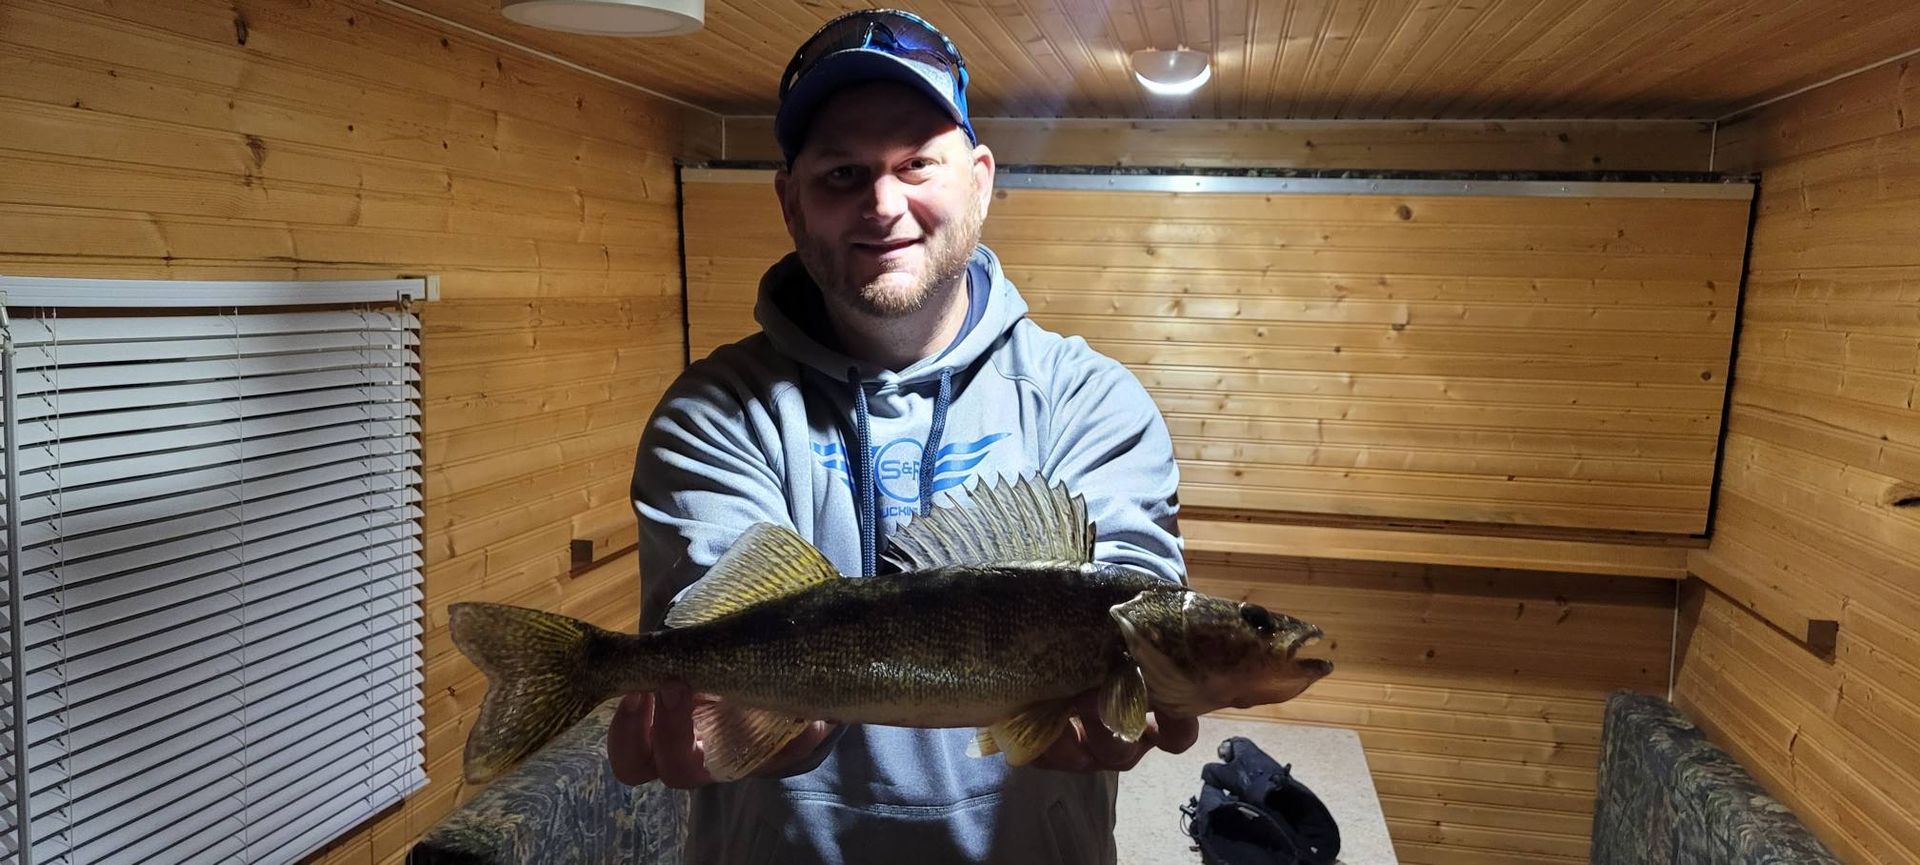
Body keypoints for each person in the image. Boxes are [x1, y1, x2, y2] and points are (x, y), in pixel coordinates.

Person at [614, 9, 1194, 863]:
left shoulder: (1092, 400)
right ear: (790, 199)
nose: (883, 204)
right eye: (843, 172)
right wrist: (728, 714)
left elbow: (1133, 607)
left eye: (917, 163)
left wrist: (1134, 696)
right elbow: (720, 629)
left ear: (982, 179)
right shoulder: (711, 412)